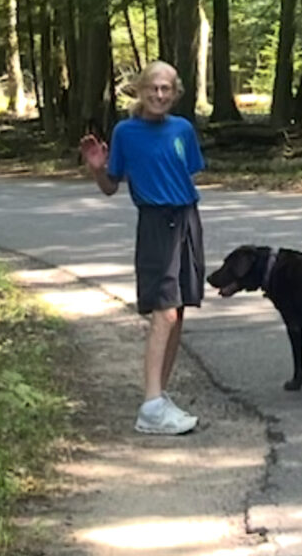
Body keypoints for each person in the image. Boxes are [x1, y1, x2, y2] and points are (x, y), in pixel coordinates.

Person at [79, 60, 206, 435]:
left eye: (167, 89)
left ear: (176, 93)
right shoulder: (125, 132)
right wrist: (98, 169)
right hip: (155, 223)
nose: (160, 95)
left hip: (187, 219)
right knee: (164, 312)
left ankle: (160, 396)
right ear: (139, 89)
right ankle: (150, 406)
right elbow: (110, 185)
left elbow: (189, 172)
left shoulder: (183, 129)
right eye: (153, 87)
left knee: (179, 309)